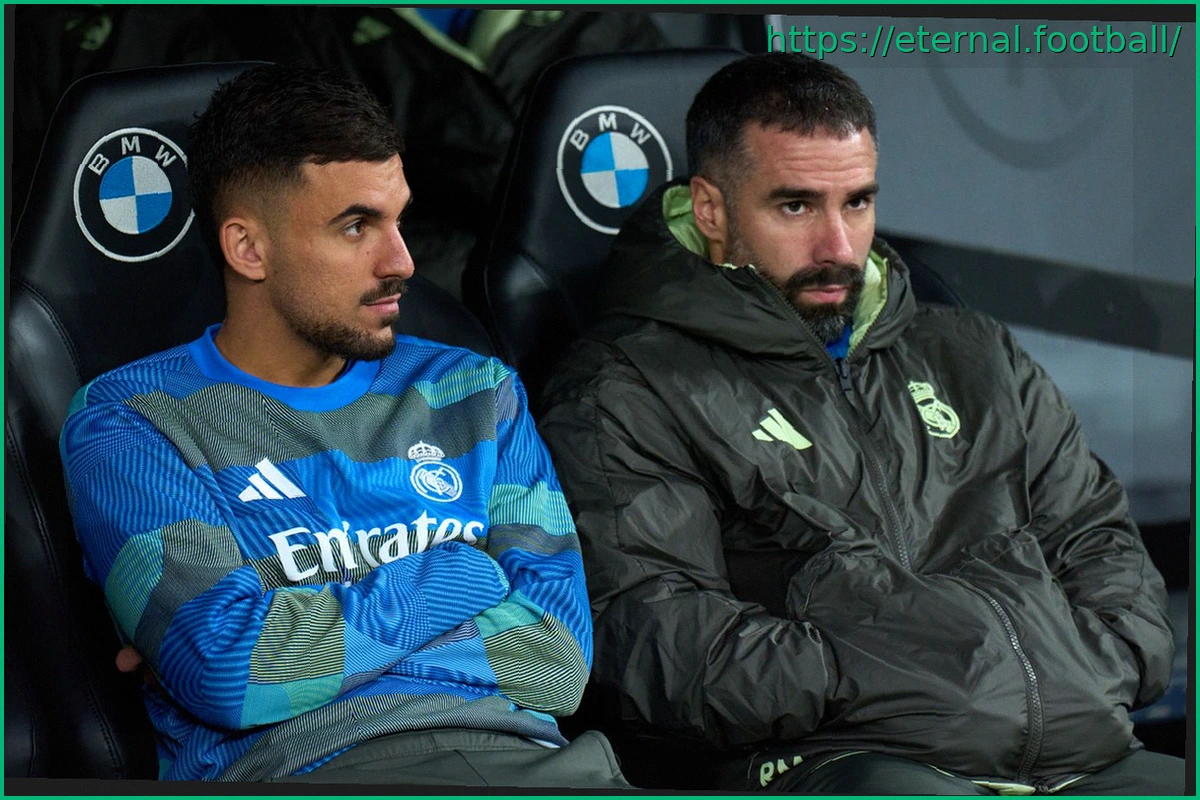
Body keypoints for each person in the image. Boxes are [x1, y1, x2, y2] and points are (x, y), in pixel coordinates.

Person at [538, 53, 1182, 794]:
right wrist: (892, 677)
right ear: (711, 210)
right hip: (838, 757)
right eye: (796, 207)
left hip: (1075, 749)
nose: (838, 248)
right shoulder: (627, 385)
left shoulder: (975, 352)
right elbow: (655, 640)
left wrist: (1087, 667)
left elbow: (1101, 544)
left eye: (857, 204)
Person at [59, 64, 629, 788]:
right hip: (317, 772)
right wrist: (466, 572)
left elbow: (559, 665)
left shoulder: (475, 390)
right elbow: (233, 673)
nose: (402, 263)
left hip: (542, 767)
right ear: (249, 248)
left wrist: (298, 644)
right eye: (356, 226)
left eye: (399, 220)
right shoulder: (132, 422)